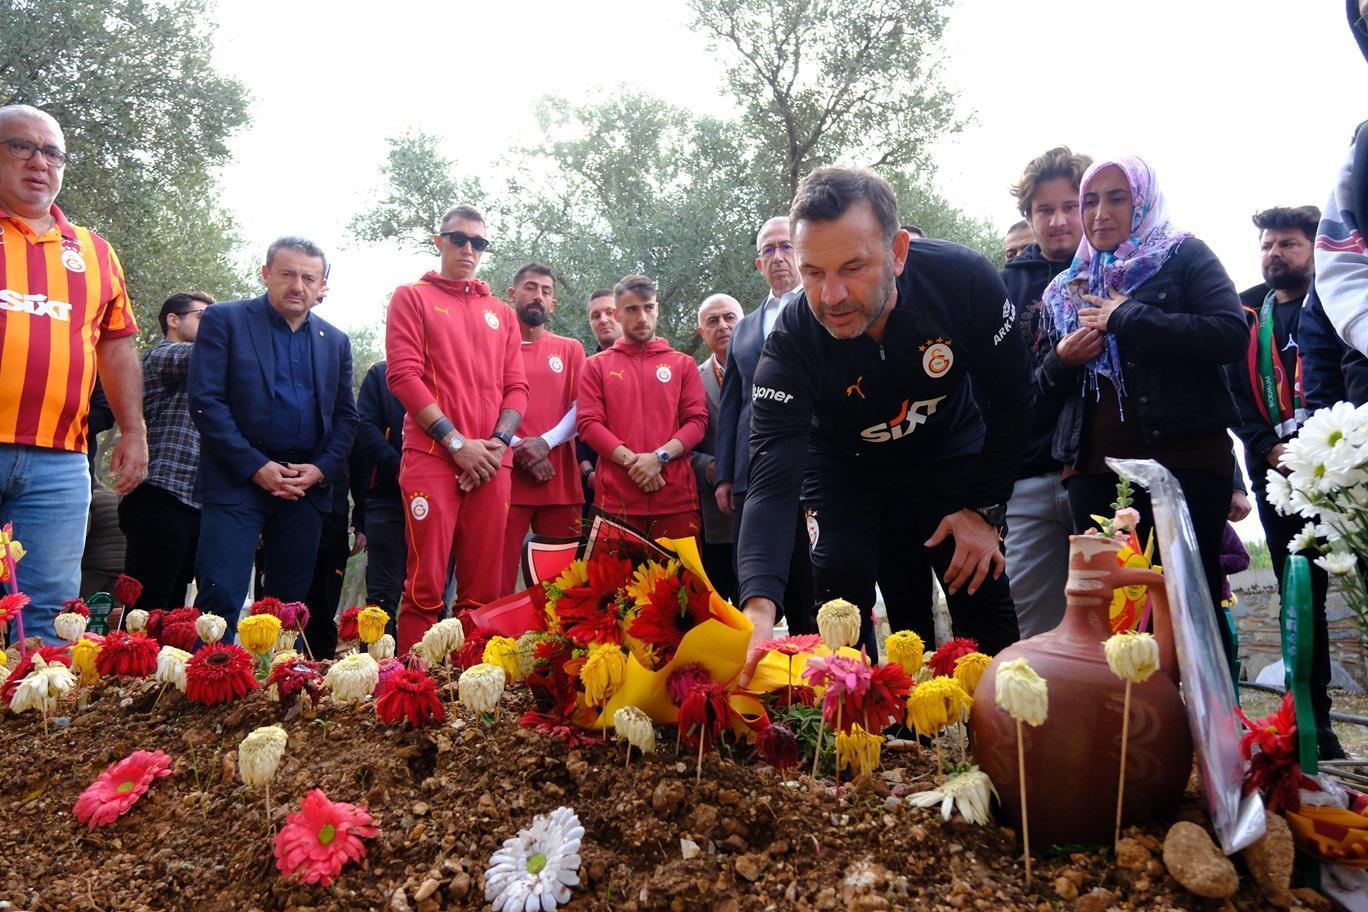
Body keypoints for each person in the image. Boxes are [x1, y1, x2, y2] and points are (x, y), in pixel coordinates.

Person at [737, 167, 1032, 683]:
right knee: (837, 589)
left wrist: (986, 511)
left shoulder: (963, 281)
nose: (831, 297)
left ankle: (1006, 745)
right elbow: (770, 480)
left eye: (853, 267)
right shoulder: (791, 341)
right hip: (843, 467)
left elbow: (1014, 397)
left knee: (979, 587)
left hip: (948, 450)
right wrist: (759, 608)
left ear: (897, 252)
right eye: (812, 273)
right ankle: (862, 742)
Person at [1038, 156, 1247, 661]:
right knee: (1107, 608)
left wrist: (1130, 315)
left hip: (1186, 461)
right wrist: (1061, 361)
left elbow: (1230, 334)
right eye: (1091, 200)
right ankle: (1129, 733)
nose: (1099, 213)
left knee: (1190, 599)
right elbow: (1039, 391)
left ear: (1143, 201)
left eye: (1117, 198)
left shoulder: (1185, 255)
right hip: (1091, 464)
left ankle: (1211, 731)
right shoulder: (1066, 286)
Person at [0, 104, 147, 642]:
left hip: (61, 462)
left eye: (53, 152)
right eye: (21, 146)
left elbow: (117, 346)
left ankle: (34, 724)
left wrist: (133, 432)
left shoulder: (96, 252)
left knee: (49, 617)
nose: (39, 162)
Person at [188, 237, 356, 641]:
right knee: (220, 597)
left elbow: (347, 419)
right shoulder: (225, 320)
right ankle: (207, 692)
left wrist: (319, 470)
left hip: (303, 489)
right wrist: (254, 466)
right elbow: (205, 401)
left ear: (322, 285)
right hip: (237, 479)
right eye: (287, 274)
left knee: (287, 609)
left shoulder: (335, 341)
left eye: (308, 277)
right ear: (266, 274)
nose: (297, 285)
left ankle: (272, 693)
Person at [1225, 205, 1344, 758]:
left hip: (1341, 467)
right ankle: (1312, 727)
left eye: (1288, 244)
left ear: (1314, 249)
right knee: (1299, 595)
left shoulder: (1341, 301)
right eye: (1268, 244)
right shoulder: (1246, 312)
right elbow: (1230, 391)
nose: (1275, 253)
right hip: (1275, 473)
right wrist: (1267, 447)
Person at [385, 205, 528, 653]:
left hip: (491, 463)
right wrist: (456, 443)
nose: (469, 249)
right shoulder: (411, 297)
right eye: (459, 238)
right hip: (431, 457)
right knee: (425, 583)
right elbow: (403, 376)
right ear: (439, 241)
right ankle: (411, 688)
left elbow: (517, 389)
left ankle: (470, 690)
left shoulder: (502, 314)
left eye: (478, 242)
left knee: (483, 588)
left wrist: (494, 447)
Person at [1000, 146, 1091, 637]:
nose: (1058, 221)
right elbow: (997, 395)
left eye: (1069, 206)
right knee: (1034, 636)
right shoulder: (1002, 289)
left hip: (1106, 475)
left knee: (1121, 631)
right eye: (1044, 209)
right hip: (1030, 479)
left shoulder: (1127, 269)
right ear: (1029, 216)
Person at [716, 217, 818, 634]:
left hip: (814, 468)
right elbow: (731, 404)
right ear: (759, 264)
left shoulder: (823, 307)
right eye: (769, 250)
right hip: (752, 476)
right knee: (760, 588)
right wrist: (725, 475)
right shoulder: (743, 329)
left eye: (786, 246)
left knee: (816, 589)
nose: (778, 256)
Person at [576, 274, 708, 544]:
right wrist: (636, 464)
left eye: (648, 307)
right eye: (632, 309)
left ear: (657, 308)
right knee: (615, 586)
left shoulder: (682, 364)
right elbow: (588, 424)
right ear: (617, 313)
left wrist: (658, 458)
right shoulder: (596, 366)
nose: (642, 317)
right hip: (616, 503)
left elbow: (697, 422)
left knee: (682, 586)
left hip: (676, 500)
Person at [119, 291, 214, 612]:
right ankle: (135, 662)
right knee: (148, 606)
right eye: (204, 317)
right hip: (158, 495)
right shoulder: (160, 356)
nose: (212, 326)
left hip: (192, 501)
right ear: (173, 320)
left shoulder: (208, 373)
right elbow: (198, 357)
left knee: (173, 608)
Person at [501, 262, 587, 593]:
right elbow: (483, 406)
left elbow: (584, 409)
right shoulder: (493, 348)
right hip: (504, 478)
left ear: (553, 303)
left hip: (559, 481)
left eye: (546, 291)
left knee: (563, 588)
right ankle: (489, 645)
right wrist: (519, 446)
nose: (539, 296)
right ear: (512, 294)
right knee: (496, 582)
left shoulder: (570, 349)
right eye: (531, 288)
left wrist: (546, 443)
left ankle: (557, 648)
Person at [691, 293, 743, 602]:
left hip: (769, 505)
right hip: (718, 514)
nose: (722, 326)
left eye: (729, 318)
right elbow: (683, 446)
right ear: (701, 332)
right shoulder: (690, 381)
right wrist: (712, 468)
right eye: (713, 321)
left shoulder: (770, 367)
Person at [354, 360, 407, 617]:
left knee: (433, 595)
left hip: (442, 500)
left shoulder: (450, 371)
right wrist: (399, 467)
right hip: (388, 497)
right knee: (381, 598)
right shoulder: (380, 374)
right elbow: (364, 427)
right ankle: (374, 658)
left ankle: (426, 658)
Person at [577, 289, 621, 516]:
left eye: (610, 312)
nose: (604, 320)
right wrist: (587, 472)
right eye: (596, 316)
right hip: (596, 487)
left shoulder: (666, 364)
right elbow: (576, 430)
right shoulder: (584, 369)